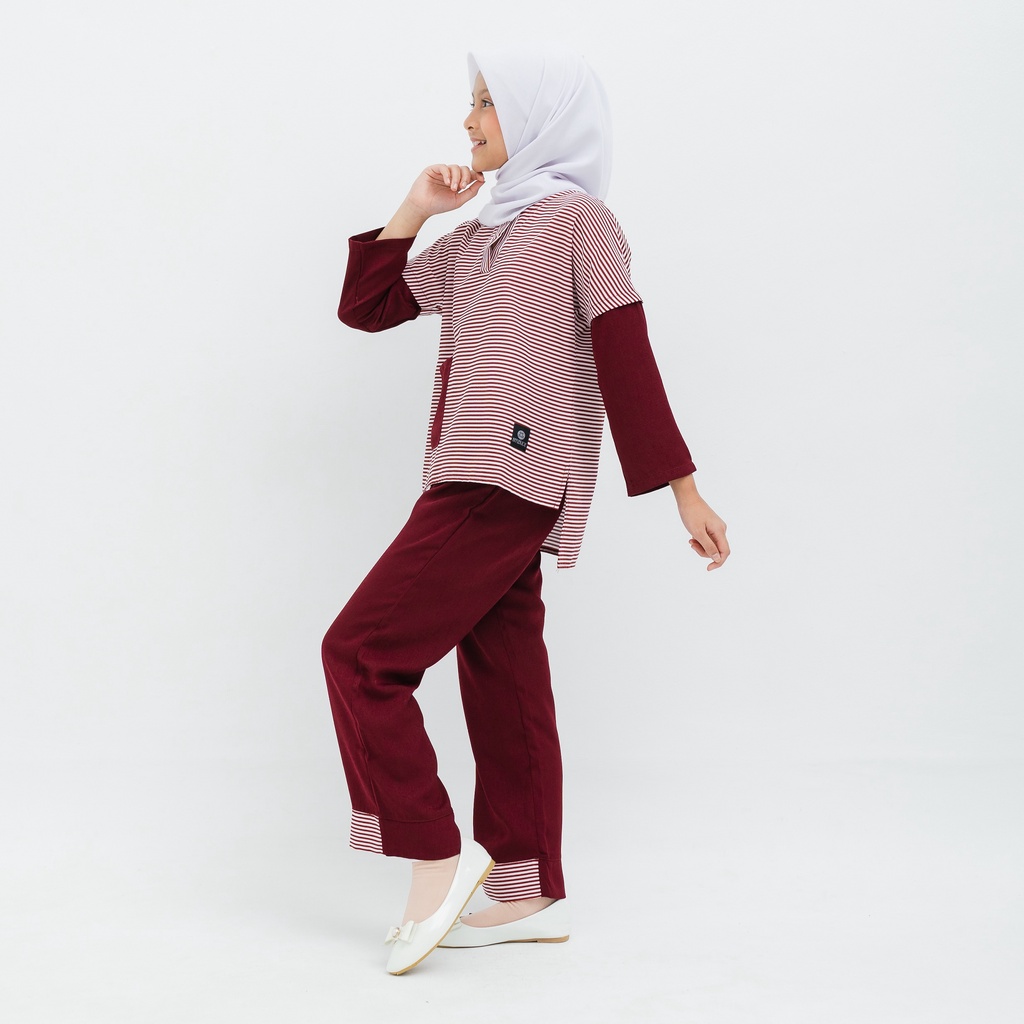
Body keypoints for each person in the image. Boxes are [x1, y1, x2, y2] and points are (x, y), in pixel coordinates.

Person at [322, 47, 730, 975]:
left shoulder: (580, 221)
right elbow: (368, 306)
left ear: (544, 115)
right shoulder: (476, 236)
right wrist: (415, 210)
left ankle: (434, 854)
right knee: (505, 674)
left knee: (359, 653)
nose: (469, 121)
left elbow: (625, 350)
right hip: (463, 473)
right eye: (469, 103)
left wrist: (682, 488)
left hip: (505, 477)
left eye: (487, 103)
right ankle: (528, 885)